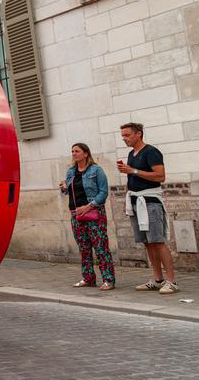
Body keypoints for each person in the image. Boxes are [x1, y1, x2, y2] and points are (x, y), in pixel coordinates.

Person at [118, 122, 178, 294]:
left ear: (138, 134)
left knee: (157, 241)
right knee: (147, 242)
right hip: (135, 201)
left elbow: (160, 176)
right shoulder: (131, 154)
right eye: (123, 136)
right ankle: (158, 279)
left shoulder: (151, 152)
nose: (124, 139)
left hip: (150, 201)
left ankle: (171, 281)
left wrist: (133, 171)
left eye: (127, 135)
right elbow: (132, 177)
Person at [59, 143, 115, 290]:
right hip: (76, 214)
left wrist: (89, 206)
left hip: (94, 213)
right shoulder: (71, 172)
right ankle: (88, 278)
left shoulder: (96, 170)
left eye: (77, 151)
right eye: (72, 151)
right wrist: (64, 188)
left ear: (85, 154)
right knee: (84, 248)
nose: (74, 154)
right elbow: (70, 192)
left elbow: (103, 192)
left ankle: (108, 280)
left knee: (100, 247)